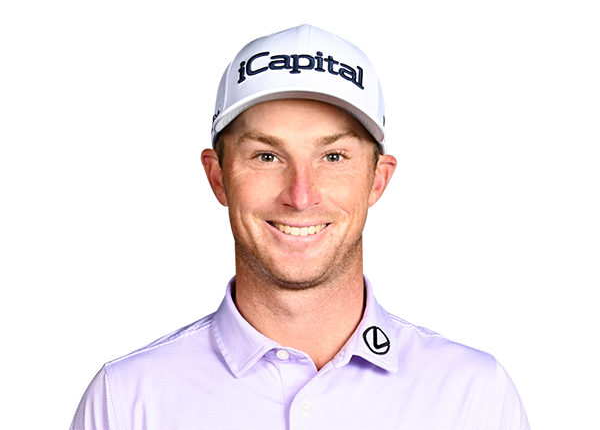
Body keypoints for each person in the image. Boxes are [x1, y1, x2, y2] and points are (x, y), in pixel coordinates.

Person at [71, 25, 530, 430]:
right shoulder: (127, 399)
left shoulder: (473, 395)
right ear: (218, 177)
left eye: (333, 157)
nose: (300, 195)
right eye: (267, 156)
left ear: (377, 180)